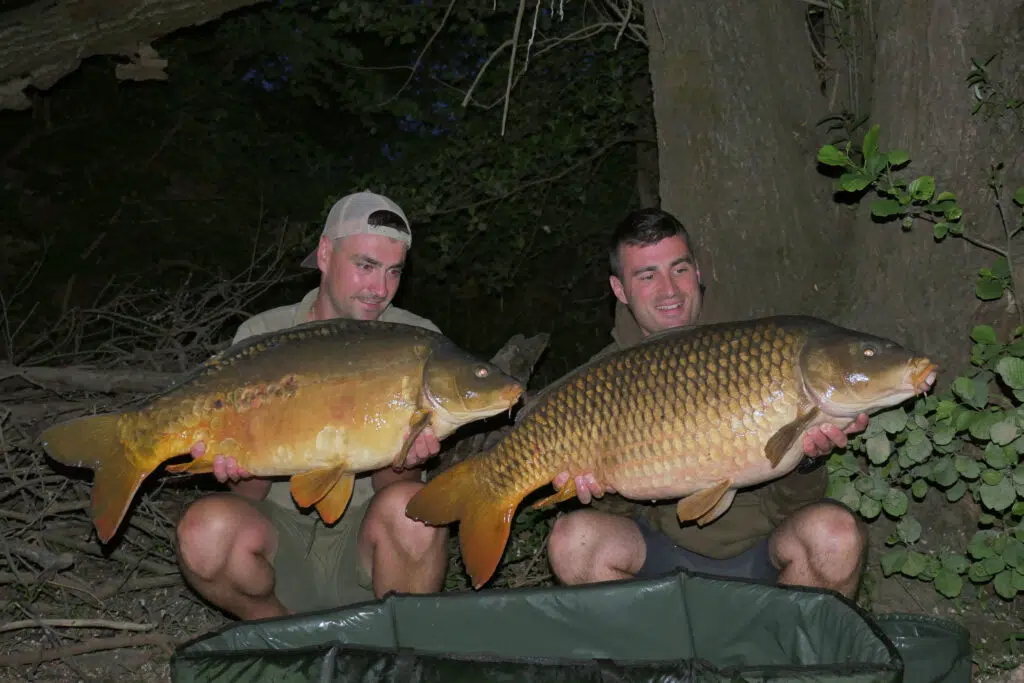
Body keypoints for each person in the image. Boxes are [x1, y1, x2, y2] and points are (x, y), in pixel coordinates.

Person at [545, 208, 870, 599]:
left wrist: (808, 460)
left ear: (698, 273)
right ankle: (661, 655)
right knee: (572, 541)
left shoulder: (758, 350)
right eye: (647, 276)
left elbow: (791, 507)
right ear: (619, 289)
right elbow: (629, 512)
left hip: (764, 551)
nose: (669, 290)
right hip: (659, 555)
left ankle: (788, 656)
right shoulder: (600, 383)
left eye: (679, 269)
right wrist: (601, 488)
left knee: (835, 535)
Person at [175, 191, 449, 620]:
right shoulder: (265, 335)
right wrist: (237, 464)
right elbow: (249, 495)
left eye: (394, 272)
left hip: (366, 553)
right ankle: (284, 641)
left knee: (415, 513)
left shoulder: (414, 339)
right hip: (281, 550)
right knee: (204, 531)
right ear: (325, 254)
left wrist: (406, 457)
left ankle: (396, 650)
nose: (380, 289)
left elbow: (395, 495)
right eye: (365, 266)